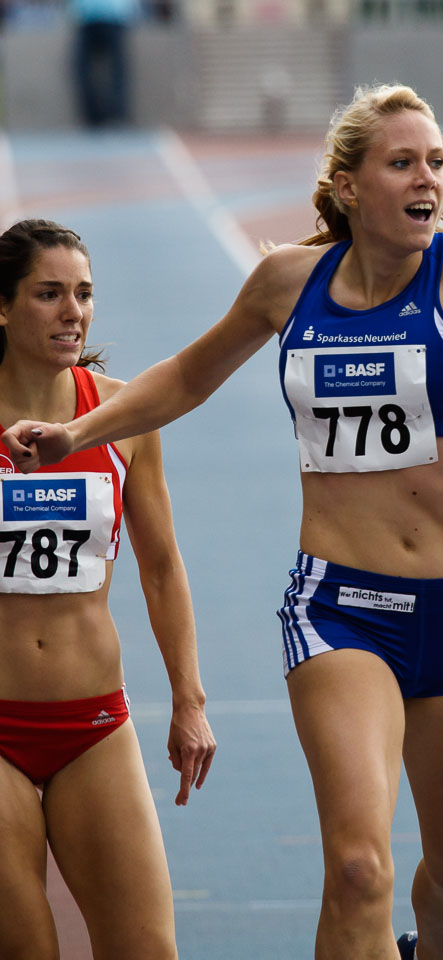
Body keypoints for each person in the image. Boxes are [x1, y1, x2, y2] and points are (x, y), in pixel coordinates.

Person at [2, 87, 443, 960]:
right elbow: (184, 377)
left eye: (437, 161)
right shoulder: (288, 285)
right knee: (361, 869)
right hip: (340, 606)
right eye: (403, 162)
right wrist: (78, 434)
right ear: (348, 186)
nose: (429, 179)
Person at [0, 219, 215, 960]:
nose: (74, 313)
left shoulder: (122, 417)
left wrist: (189, 701)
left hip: (92, 722)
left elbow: (162, 567)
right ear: (3, 307)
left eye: (84, 294)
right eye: (49, 294)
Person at [71, 0, 139, 128]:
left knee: (118, 70)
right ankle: (95, 117)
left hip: (113, 17)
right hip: (88, 18)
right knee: (81, 69)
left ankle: (117, 115)